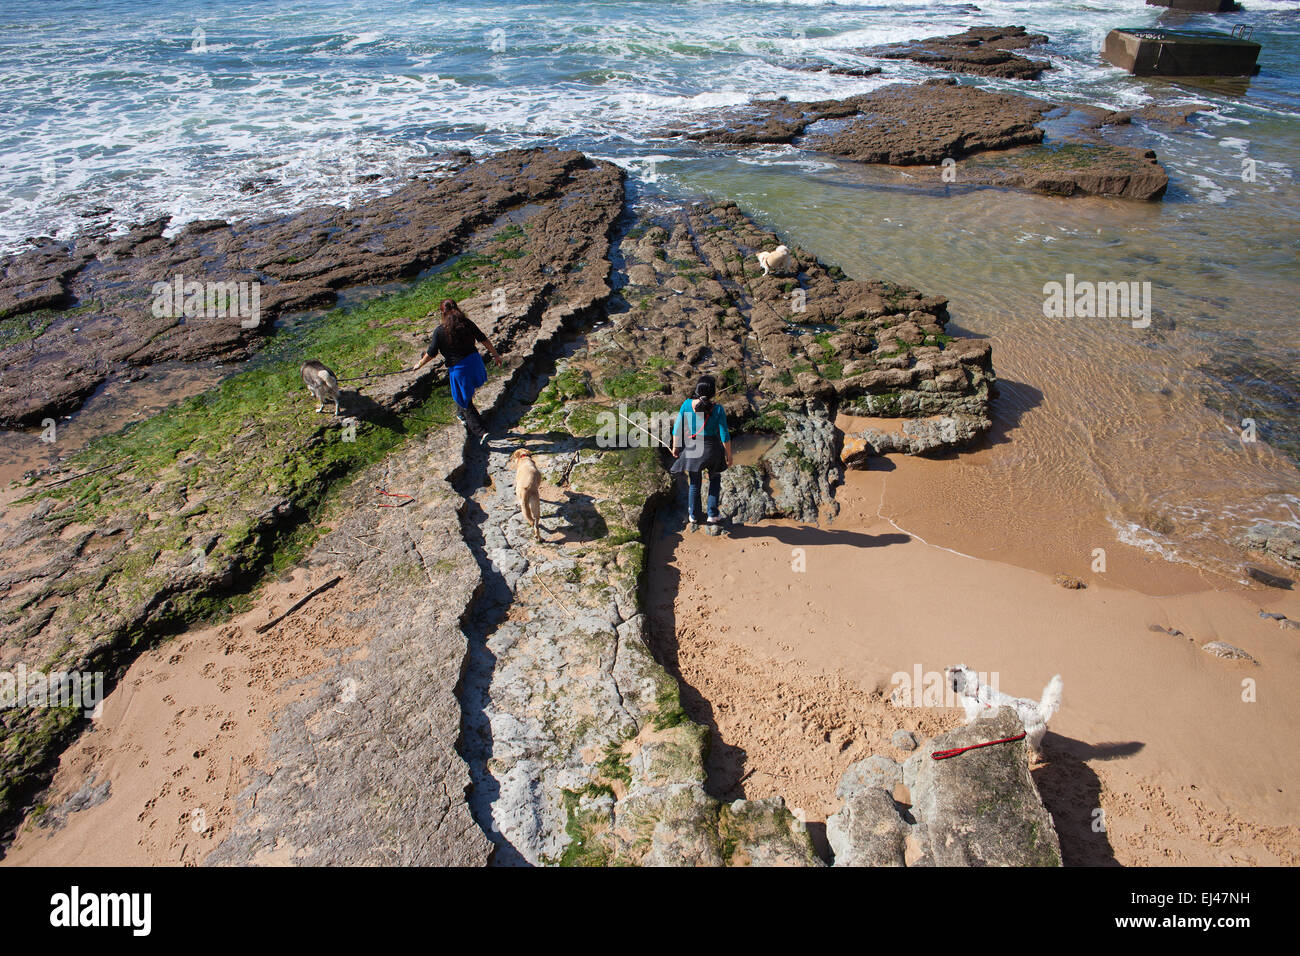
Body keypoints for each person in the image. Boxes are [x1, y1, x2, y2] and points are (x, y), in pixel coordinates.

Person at [411, 299, 503, 440]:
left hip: (460, 369)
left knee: (464, 401)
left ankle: (481, 432)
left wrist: (420, 364)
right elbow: (483, 339)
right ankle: (461, 415)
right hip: (475, 362)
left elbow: (431, 352)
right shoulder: (467, 323)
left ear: (442, 313)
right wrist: (495, 355)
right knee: (462, 393)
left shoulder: (440, 331)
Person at [670, 374, 732, 525]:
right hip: (713, 450)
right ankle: (712, 514)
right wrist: (729, 455)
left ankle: (694, 515)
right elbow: (724, 435)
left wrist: (675, 448)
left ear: (697, 390)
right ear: (713, 393)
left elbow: (677, 429)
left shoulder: (686, 404)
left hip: (693, 450)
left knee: (694, 484)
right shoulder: (718, 409)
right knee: (715, 480)